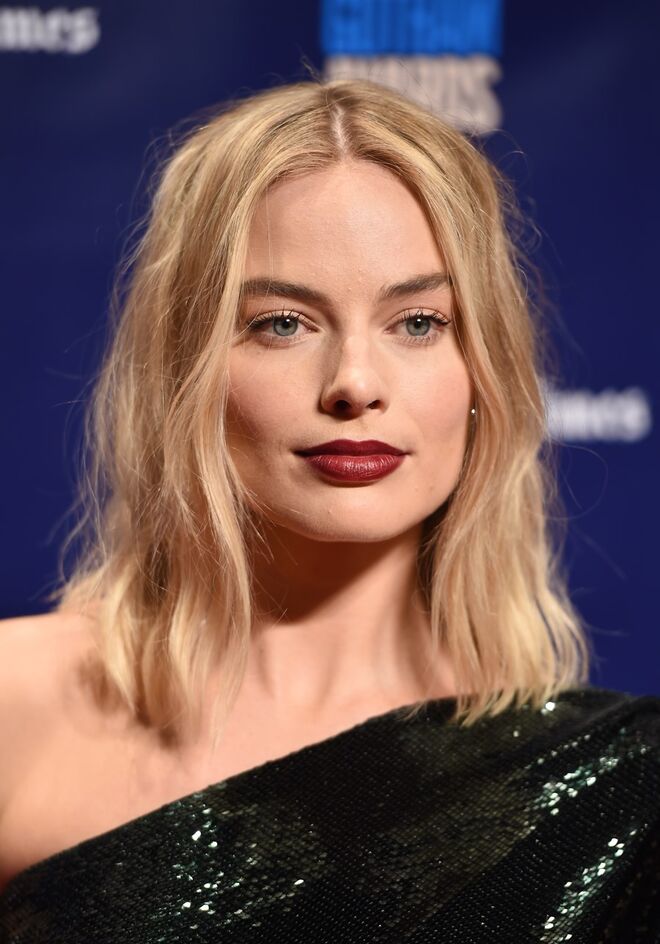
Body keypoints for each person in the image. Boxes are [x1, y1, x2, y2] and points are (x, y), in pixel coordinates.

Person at [0, 77, 657, 942]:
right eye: (283, 323)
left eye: (417, 322)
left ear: (483, 368)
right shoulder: (17, 705)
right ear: (188, 367)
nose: (354, 383)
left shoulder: (621, 781)